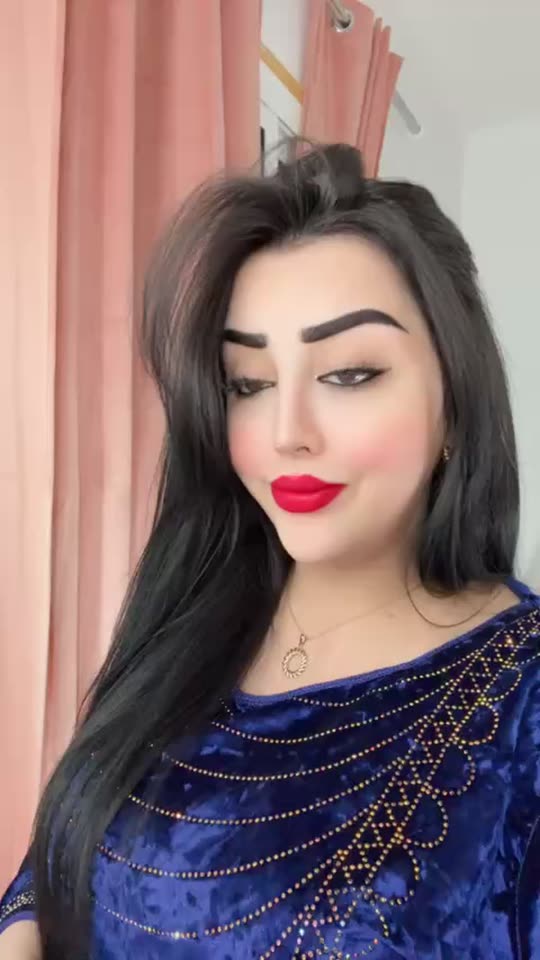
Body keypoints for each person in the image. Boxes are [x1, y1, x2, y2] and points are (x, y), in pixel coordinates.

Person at [0, 140, 538, 959]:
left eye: (349, 373)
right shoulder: (194, 619)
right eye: (248, 384)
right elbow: (62, 853)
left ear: (456, 407)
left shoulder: (519, 700)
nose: (287, 433)